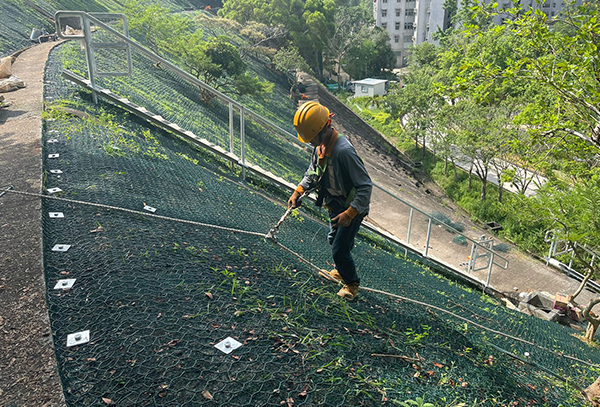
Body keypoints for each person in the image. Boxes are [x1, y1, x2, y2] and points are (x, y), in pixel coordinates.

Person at [288, 101, 372, 300]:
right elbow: (313, 172)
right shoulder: (320, 148)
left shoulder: (344, 151)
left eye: (310, 138)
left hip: (351, 207)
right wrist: (298, 191)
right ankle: (340, 271)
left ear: (323, 129)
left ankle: (351, 283)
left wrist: (350, 213)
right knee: (335, 240)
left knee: (340, 248)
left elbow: (365, 185)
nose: (309, 142)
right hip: (334, 203)